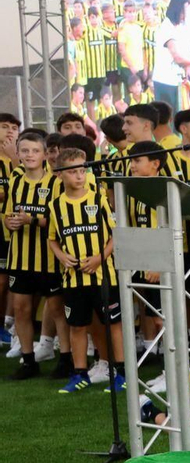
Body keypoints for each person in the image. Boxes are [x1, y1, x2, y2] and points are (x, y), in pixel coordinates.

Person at [47, 149, 124, 394]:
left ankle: (121, 373)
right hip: (73, 279)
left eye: (82, 170)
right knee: (77, 326)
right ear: (59, 175)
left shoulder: (98, 197)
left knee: (113, 324)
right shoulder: (55, 205)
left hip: (105, 275)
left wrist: (100, 258)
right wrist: (61, 256)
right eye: (73, 172)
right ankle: (80, 374)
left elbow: (114, 235)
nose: (79, 176)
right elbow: (52, 239)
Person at [4, 129, 61, 380]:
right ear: (17, 153)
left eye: (35, 151)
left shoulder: (56, 183)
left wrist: (32, 220)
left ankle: (67, 360)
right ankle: (28, 361)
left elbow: (62, 221)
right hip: (19, 256)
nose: (29, 155)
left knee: (58, 310)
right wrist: (11, 223)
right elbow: (8, 214)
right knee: (21, 309)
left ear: (45, 154)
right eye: (24, 151)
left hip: (50, 258)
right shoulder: (15, 181)